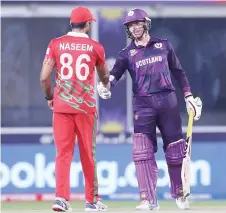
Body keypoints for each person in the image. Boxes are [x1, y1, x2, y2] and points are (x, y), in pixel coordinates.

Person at [97, 9, 202, 210]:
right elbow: (113, 76)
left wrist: (188, 96)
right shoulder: (126, 54)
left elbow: (179, 72)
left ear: (146, 24)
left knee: (175, 151)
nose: (134, 27)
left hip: (168, 103)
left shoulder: (164, 45)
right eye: (130, 25)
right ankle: (147, 199)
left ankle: (180, 193)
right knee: (142, 153)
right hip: (143, 106)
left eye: (137, 23)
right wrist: (104, 85)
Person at [40, 6, 110, 212]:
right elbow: (104, 75)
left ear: (71, 23)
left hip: (61, 108)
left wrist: (50, 97)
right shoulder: (96, 47)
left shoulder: (56, 44)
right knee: (88, 154)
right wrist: (105, 84)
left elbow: (44, 77)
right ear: (87, 24)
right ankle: (92, 202)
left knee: (63, 154)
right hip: (86, 109)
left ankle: (61, 199)